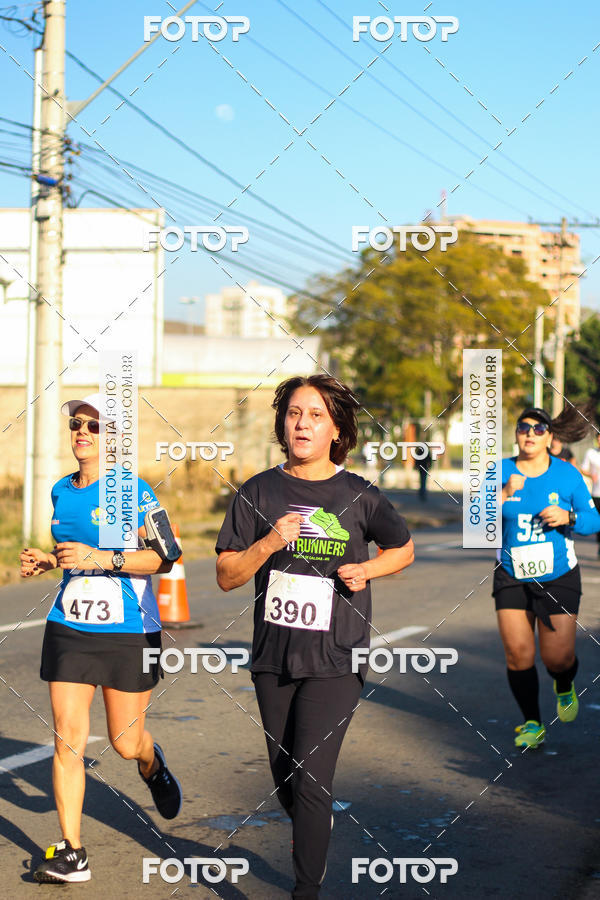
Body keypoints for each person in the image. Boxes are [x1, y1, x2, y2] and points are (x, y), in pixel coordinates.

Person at [215, 375, 414, 900]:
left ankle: (307, 888)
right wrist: (269, 542)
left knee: (310, 776)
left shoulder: (359, 495)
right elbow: (226, 574)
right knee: (286, 778)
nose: (302, 423)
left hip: (336, 658)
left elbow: (403, 549)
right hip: (273, 659)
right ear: (283, 423)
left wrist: (368, 571)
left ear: (336, 429)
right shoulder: (258, 491)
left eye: (316, 415)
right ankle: (313, 820)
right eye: (294, 413)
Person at [19, 393, 182, 883]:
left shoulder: (133, 490)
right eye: (77, 425)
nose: (83, 433)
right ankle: (73, 852)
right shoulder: (61, 491)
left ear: (114, 439)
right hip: (70, 626)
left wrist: (103, 558)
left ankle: (152, 764)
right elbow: (72, 551)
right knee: (67, 738)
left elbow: (167, 556)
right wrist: (49, 560)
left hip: (130, 631)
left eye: (94, 425)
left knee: (125, 741)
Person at [494, 405, 600, 750]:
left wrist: (568, 516)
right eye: (524, 427)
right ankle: (532, 723)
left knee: (558, 658)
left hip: (558, 576)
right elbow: (476, 523)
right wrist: (505, 493)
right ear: (516, 433)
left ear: (550, 438)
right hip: (512, 574)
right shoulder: (501, 471)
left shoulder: (567, 475)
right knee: (517, 654)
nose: (530, 434)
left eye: (539, 429)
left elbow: (593, 521)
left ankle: (564, 682)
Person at [581, 429, 600, 558]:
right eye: (598, 439)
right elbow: (583, 469)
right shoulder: (591, 453)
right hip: (596, 493)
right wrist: (591, 475)